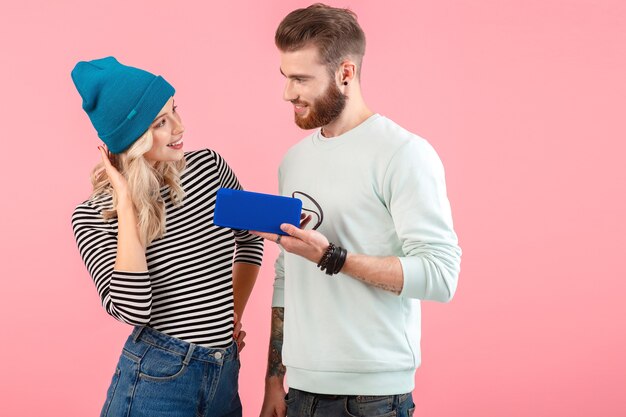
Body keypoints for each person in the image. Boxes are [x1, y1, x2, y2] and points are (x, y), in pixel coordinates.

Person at [256, 4, 462, 417]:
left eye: (301, 79)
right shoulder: (293, 161)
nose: (287, 93)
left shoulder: (403, 154)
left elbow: (441, 276)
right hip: (298, 392)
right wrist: (274, 380)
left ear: (345, 73)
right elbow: (285, 273)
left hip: (372, 399)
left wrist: (333, 257)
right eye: (285, 77)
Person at [70, 56, 263, 417]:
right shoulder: (94, 215)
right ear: (133, 138)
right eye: (161, 122)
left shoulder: (209, 169)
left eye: (175, 110)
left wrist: (232, 314)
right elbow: (133, 309)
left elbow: (251, 238)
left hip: (224, 372)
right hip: (157, 377)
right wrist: (126, 206)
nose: (180, 127)